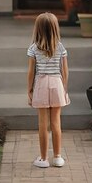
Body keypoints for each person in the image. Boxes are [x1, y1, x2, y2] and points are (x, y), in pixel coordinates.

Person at [27, 12, 70, 168]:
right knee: (56, 123)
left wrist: (29, 90)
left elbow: (31, 72)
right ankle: (57, 157)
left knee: (43, 124)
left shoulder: (33, 48)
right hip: (57, 84)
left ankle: (44, 159)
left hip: (41, 84)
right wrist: (64, 88)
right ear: (55, 28)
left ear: (37, 29)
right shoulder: (60, 47)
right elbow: (65, 71)